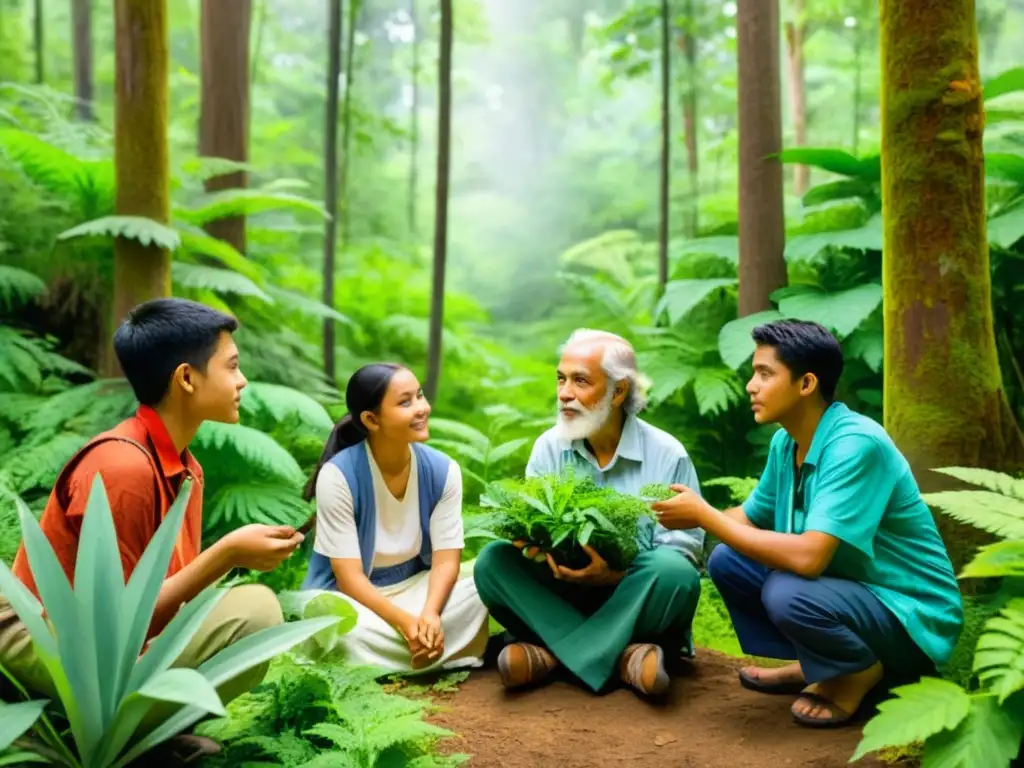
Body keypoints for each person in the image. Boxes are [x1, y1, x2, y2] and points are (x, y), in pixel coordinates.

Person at [0, 298, 303, 759]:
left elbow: (153, 606)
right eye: (232, 366)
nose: (242, 381)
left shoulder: (185, 470)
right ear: (186, 378)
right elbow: (115, 627)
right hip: (35, 637)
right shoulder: (123, 468)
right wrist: (225, 555)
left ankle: (139, 737)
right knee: (256, 614)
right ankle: (74, 736)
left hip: (99, 644)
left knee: (244, 613)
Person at [651, 319, 964, 728]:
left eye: (765, 374)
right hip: (850, 597)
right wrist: (665, 516)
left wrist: (704, 514)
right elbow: (745, 519)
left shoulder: (855, 446)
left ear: (806, 384)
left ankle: (858, 671)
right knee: (728, 559)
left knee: (788, 589)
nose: (751, 385)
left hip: (911, 619)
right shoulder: (788, 442)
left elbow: (811, 559)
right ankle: (820, 665)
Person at [473, 329, 703, 697]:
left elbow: (682, 547)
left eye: (581, 381)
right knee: (492, 563)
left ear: (620, 391)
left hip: (633, 598)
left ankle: (551, 657)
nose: (565, 393)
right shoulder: (549, 447)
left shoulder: (667, 454)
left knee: (675, 573)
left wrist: (615, 575)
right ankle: (626, 659)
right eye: (561, 379)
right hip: (562, 593)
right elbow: (534, 529)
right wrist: (534, 546)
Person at [299, 363, 490, 674]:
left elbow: (445, 561)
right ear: (371, 419)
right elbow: (349, 579)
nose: (422, 409)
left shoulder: (444, 471)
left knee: (481, 586)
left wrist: (429, 615)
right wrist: (405, 624)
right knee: (331, 618)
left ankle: (405, 652)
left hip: (417, 588)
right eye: (405, 402)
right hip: (356, 599)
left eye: (420, 396)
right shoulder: (338, 476)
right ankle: (430, 649)